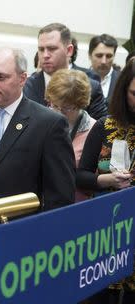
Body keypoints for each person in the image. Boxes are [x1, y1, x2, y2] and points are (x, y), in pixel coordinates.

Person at [0, 47, 75, 215]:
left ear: (22, 79)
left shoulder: (48, 124)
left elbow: (59, 197)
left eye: (0, 76)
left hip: (17, 232)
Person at [77, 59, 135, 304]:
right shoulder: (105, 126)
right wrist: (107, 179)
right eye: (134, 93)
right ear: (123, 91)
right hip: (106, 231)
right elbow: (81, 176)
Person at [24, 23, 107, 120]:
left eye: (52, 49)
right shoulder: (26, 86)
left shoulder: (91, 87)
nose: (45, 55)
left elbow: (101, 130)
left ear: (69, 50)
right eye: (41, 49)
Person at [45, 69, 95, 201]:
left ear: (81, 104)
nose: (59, 113)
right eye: (55, 106)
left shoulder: (94, 130)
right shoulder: (43, 123)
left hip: (78, 204)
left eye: (66, 108)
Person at [88, 34, 120, 100]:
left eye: (109, 56)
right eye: (99, 55)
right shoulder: (80, 79)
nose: (103, 61)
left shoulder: (122, 80)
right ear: (89, 55)